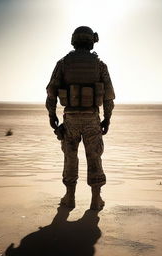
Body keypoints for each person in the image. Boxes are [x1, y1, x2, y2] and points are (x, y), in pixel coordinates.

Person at [45, 26, 115, 210]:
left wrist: (52, 115)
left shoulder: (63, 63)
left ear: (74, 41)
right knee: (94, 156)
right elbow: (108, 96)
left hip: (70, 119)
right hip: (92, 118)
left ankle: (69, 198)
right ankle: (96, 200)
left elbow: (51, 92)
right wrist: (107, 119)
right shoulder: (100, 65)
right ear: (91, 41)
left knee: (70, 156)